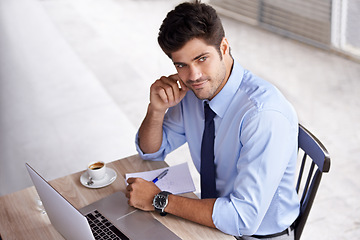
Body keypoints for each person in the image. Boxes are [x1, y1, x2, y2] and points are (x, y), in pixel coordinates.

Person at [125, 1, 300, 239]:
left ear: (224, 47)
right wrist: (156, 110)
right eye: (181, 65)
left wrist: (159, 200)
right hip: (210, 220)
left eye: (201, 58)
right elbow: (152, 151)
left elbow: (243, 218)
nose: (193, 75)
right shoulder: (195, 91)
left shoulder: (263, 115)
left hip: (254, 235)